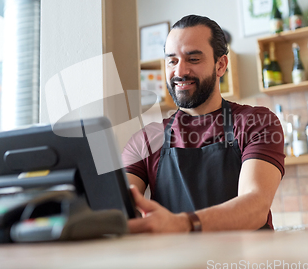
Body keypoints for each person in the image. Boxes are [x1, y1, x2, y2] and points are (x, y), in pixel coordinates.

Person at [122, 15, 285, 233]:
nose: (180, 72)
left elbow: (255, 206)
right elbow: (119, 205)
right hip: (178, 266)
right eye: (172, 61)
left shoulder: (255, 122)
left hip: (245, 264)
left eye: (193, 59)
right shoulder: (146, 139)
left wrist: (182, 224)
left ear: (221, 65)